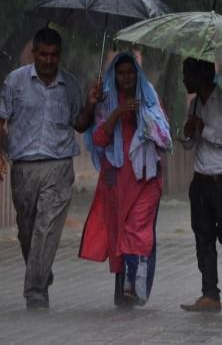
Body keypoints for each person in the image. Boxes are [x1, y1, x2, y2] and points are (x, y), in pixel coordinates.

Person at [0, 27, 101, 310]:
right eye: (44, 54)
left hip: (59, 165)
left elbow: (80, 124)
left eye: (54, 55)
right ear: (34, 52)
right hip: (23, 168)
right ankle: (40, 270)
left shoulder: (71, 85)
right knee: (27, 230)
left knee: (46, 227)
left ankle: (35, 292)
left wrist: (90, 105)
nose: (49, 60)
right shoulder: (15, 82)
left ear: (59, 55)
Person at [80, 52, 172, 307]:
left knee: (137, 230)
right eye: (121, 73)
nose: (126, 77)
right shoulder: (106, 99)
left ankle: (135, 284)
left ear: (137, 73)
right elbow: (98, 139)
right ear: (114, 75)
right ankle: (124, 287)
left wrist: (146, 119)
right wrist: (118, 113)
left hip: (146, 178)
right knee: (119, 234)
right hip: (116, 180)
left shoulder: (149, 97)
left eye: (131, 72)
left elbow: (164, 137)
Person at [179, 57, 222, 313]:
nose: (184, 80)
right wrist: (187, 133)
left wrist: (205, 130)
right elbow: (189, 144)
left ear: (201, 76)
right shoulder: (194, 105)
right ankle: (209, 293)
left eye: (187, 75)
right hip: (201, 181)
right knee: (203, 236)